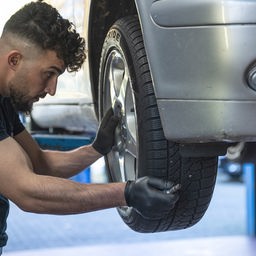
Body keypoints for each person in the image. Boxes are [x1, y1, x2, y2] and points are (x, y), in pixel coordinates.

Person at [0, 0, 180, 253]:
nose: (51, 90)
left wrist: (97, 148)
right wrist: (125, 194)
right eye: (48, 73)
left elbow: (39, 163)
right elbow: (27, 191)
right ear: (15, 60)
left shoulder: (4, 102)